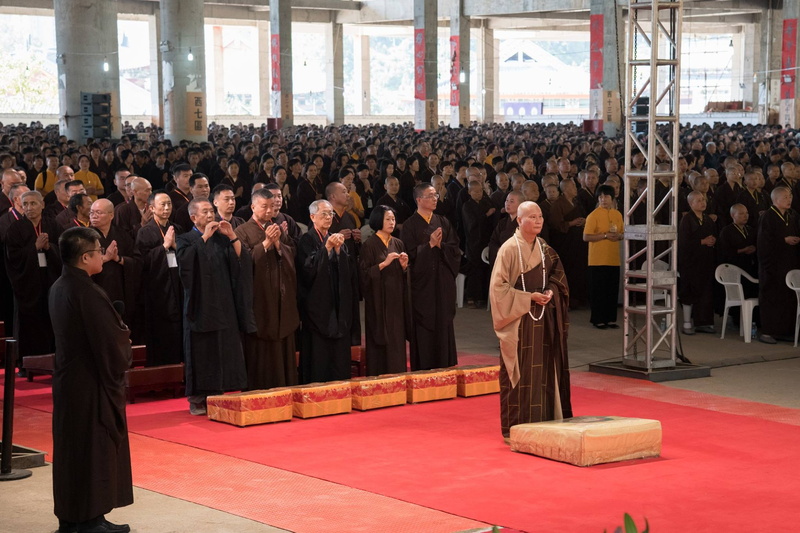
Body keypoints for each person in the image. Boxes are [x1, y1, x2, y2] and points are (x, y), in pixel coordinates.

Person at [50, 226, 133, 533]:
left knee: (74, 450)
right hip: (89, 385)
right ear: (86, 257)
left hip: (70, 381)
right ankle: (87, 520)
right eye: (99, 251)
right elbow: (110, 342)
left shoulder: (61, 285)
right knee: (91, 448)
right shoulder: (86, 291)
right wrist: (123, 334)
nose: (102, 255)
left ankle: (80, 517)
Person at [489, 201, 572, 441]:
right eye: (532, 217)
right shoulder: (509, 249)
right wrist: (528, 298)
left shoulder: (544, 247)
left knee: (544, 369)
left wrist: (550, 293)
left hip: (543, 318)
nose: (538, 221)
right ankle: (516, 428)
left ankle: (546, 422)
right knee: (520, 372)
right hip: (519, 321)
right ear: (519, 220)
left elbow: (559, 278)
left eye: (540, 217)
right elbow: (498, 290)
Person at [176, 199, 251, 415]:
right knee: (201, 350)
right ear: (193, 217)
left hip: (223, 302)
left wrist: (232, 236)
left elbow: (241, 261)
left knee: (223, 348)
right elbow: (185, 265)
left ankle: (220, 393)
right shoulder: (186, 239)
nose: (210, 215)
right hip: (200, 305)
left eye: (212, 211)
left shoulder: (221, 238)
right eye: (205, 212)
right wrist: (205, 237)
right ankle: (197, 398)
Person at [234, 188, 300, 389]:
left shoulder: (277, 227)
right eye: (264, 206)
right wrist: (266, 243)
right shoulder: (242, 231)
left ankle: (286, 384)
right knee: (261, 342)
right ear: (253, 207)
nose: (269, 210)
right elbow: (242, 263)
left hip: (282, 294)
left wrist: (279, 243)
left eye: (272, 206)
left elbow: (292, 254)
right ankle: (260, 387)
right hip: (259, 296)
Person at [401, 183, 461, 370]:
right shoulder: (410, 225)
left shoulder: (443, 221)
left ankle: (445, 362)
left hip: (442, 279)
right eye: (430, 195)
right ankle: (424, 364)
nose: (435, 198)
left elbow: (455, 249)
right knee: (424, 320)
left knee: (443, 318)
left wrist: (441, 246)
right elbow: (408, 254)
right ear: (419, 200)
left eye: (436, 195)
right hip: (422, 282)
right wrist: (429, 246)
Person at [296, 200, 354, 383]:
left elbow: (347, 273)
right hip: (317, 308)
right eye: (324, 214)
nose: (329, 217)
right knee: (317, 354)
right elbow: (307, 270)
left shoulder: (335, 238)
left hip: (336, 306)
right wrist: (327, 248)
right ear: (313, 217)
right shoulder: (307, 239)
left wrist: (338, 251)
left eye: (331, 214)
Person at [5, 190, 61, 370]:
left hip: (50, 280)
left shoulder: (52, 225)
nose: (29, 208)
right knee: (28, 324)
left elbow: (62, 250)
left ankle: (51, 360)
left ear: (42, 204)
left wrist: (49, 248)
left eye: (33, 203)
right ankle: (26, 363)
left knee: (51, 321)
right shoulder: (15, 229)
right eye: (25, 204)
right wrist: (34, 248)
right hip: (27, 284)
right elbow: (12, 258)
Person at [359, 205, 411, 375]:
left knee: (397, 337)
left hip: (395, 300)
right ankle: (378, 376)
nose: (391, 222)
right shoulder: (369, 244)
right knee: (380, 337)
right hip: (378, 300)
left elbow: (405, 276)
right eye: (387, 219)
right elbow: (364, 275)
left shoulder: (398, 242)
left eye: (393, 219)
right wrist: (383, 264)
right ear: (377, 220)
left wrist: (404, 267)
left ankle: (398, 375)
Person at [135, 191, 183, 366]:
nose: (167, 208)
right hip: (158, 289)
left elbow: (186, 255)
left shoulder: (177, 228)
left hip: (177, 284)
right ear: (152, 208)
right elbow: (142, 262)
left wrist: (176, 245)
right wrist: (164, 246)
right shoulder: (145, 231)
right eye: (162, 204)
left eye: (169, 204)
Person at [89, 199, 142, 343]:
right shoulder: (84, 237)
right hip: (95, 292)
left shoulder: (122, 235)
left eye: (98, 213)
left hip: (120, 290)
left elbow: (136, 261)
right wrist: (105, 259)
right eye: (92, 212)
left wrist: (117, 258)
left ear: (111, 215)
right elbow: (79, 264)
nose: (93, 216)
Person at [756, 187, 800, 344]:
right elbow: (763, 242)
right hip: (771, 266)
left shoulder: (792, 215)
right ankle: (768, 332)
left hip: (789, 264)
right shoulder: (768, 216)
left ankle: (785, 331)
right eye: (785, 197)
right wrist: (783, 240)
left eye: (790, 196)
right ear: (775, 200)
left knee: (788, 298)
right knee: (772, 297)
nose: (789, 199)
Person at [582, 185, 624, 329]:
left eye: (606, 197)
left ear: (612, 199)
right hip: (597, 259)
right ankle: (598, 319)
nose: (603, 199)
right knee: (598, 290)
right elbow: (586, 236)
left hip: (613, 258)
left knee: (611, 290)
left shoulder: (617, 215)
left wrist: (618, 236)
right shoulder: (593, 215)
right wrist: (605, 235)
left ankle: (610, 318)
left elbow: (623, 233)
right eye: (600, 197)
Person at [678, 191, 718, 335]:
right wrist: (702, 241)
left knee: (706, 292)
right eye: (699, 200)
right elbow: (683, 242)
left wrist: (712, 241)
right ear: (691, 203)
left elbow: (713, 235)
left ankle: (703, 322)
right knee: (690, 291)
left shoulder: (707, 219)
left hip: (705, 261)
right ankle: (687, 322)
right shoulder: (687, 220)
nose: (703, 203)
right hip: (690, 263)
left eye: (703, 200)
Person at [461, 180, 496, 307]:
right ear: (469, 192)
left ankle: (482, 297)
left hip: (485, 240)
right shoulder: (467, 206)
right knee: (474, 269)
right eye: (475, 191)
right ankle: (471, 296)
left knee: (484, 269)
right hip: (473, 241)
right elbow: (471, 223)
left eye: (480, 191)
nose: (478, 193)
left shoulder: (485, 202)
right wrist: (486, 214)